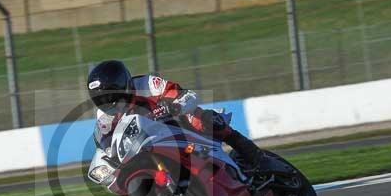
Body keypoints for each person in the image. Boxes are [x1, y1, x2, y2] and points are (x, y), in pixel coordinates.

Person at [87, 59, 264, 177]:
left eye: (111, 95)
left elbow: (188, 95)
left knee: (203, 119)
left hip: (178, 126)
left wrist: (174, 106)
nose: (108, 103)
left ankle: (255, 156)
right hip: (147, 146)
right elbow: (106, 141)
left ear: (123, 84)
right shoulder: (104, 116)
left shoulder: (147, 84)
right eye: (101, 99)